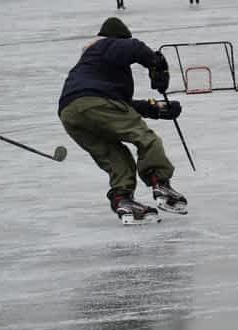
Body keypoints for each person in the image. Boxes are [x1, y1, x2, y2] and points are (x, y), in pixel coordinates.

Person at [58, 17, 187, 224]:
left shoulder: (94, 66)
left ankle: (123, 199)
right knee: (145, 138)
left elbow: (121, 105)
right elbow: (133, 47)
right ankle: (160, 183)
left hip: (70, 112)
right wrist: (156, 63)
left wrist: (157, 108)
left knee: (115, 155)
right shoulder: (106, 45)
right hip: (96, 102)